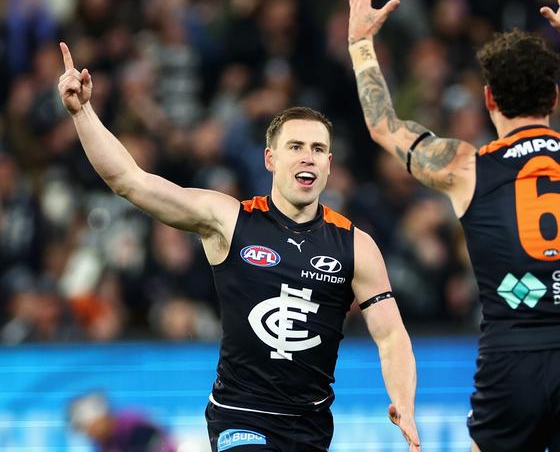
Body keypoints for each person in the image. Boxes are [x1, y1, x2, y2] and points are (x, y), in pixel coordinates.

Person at [57, 43, 420, 451]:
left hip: (310, 428)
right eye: (295, 147)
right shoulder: (229, 220)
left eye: (318, 150)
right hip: (239, 416)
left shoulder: (356, 245)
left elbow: (391, 336)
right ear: (270, 159)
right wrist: (82, 113)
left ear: (330, 164)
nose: (308, 158)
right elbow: (131, 181)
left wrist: (404, 401)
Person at [345, 0, 560, 451]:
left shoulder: (467, 168)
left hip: (511, 357)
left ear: (488, 99)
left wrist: (360, 44)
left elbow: (383, 126)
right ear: (555, 97)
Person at [68, 391, 176, 452]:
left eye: (88, 427)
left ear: (101, 418)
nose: (89, 434)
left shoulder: (130, 426)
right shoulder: (103, 441)